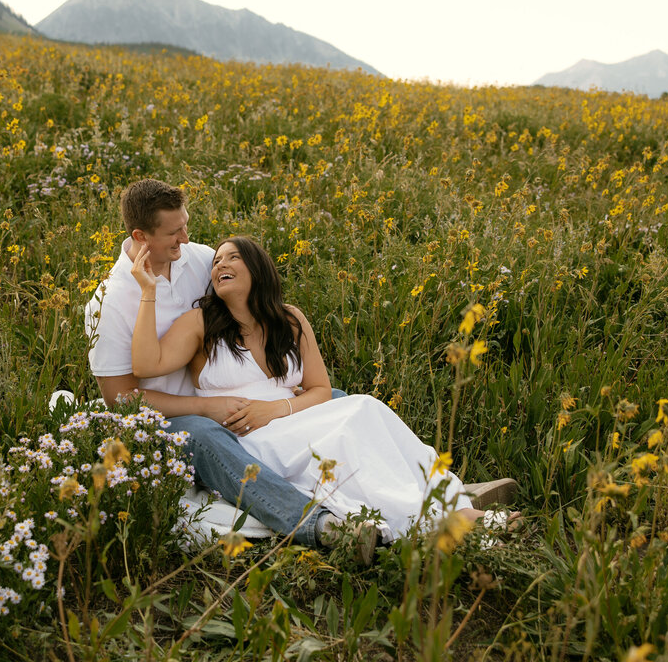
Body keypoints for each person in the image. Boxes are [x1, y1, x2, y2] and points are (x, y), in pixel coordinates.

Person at [129, 235, 519, 545]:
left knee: (362, 408)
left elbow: (320, 388)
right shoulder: (200, 323)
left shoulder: (290, 319)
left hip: (292, 418)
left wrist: (276, 409)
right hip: (249, 440)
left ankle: (445, 502)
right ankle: (445, 515)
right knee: (350, 425)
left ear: (258, 268)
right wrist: (148, 290)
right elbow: (146, 365)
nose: (220, 265)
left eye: (232, 257)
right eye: (216, 261)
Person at [85, 180, 365, 552]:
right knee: (204, 435)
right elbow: (121, 400)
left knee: (339, 403)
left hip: (230, 401)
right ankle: (320, 525)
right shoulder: (108, 303)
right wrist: (204, 407)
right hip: (168, 421)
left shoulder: (198, 259)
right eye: (174, 232)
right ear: (140, 235)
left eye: (186, 224)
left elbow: (247, 304)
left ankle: (415, 490)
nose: (185, 238)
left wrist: (275, 392)